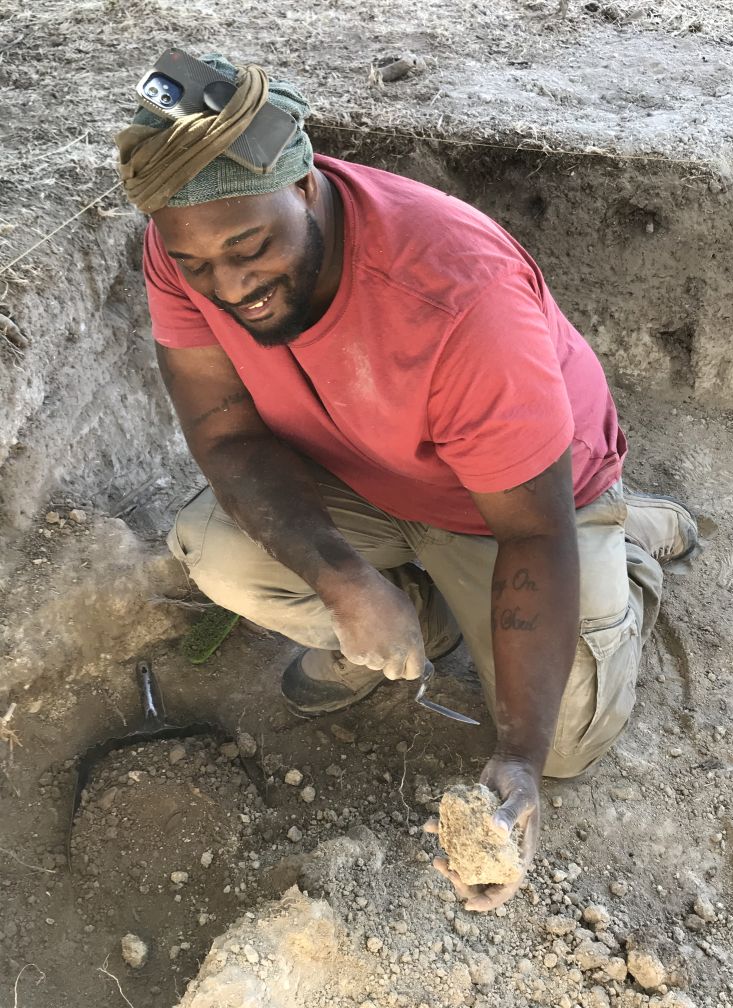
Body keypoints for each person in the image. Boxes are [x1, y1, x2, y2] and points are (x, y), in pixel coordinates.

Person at [116, 53, 698, 912]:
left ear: (306, 188)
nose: (228, 286)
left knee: (561, 745)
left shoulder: (460, 299)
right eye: (197, 265)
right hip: (364, 468)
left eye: (251, 248)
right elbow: (226, 431)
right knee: (216, 548)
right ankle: (416, 611)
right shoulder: (191, 241)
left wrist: (517, 758)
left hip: (517, 506)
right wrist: (345, 582)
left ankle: (620, 537)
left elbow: (531, 534)